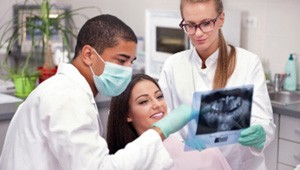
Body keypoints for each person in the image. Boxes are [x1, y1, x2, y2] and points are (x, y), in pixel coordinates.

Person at [0, 14, 193, 170]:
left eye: (131, 62)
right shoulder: (66, 97)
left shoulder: (71, 93)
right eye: (121, 60)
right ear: (89, 55)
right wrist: (160, 130)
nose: (128, 70)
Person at [158, 0, 276, 170]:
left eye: (206, 23)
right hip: (192, 165)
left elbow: (264, 120)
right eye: (190, 25)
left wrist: (260, 132)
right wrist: (182, 143)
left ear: (221, 19)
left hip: (240, 165)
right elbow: (165, 119)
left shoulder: (248, 62)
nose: (198, 33)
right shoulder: (173, 65)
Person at [107, 73, 232, 170]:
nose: (157, 104)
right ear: (127, 114)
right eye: (144, 101)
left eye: (159, 96)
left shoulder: (203, 154)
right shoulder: (124, 161)